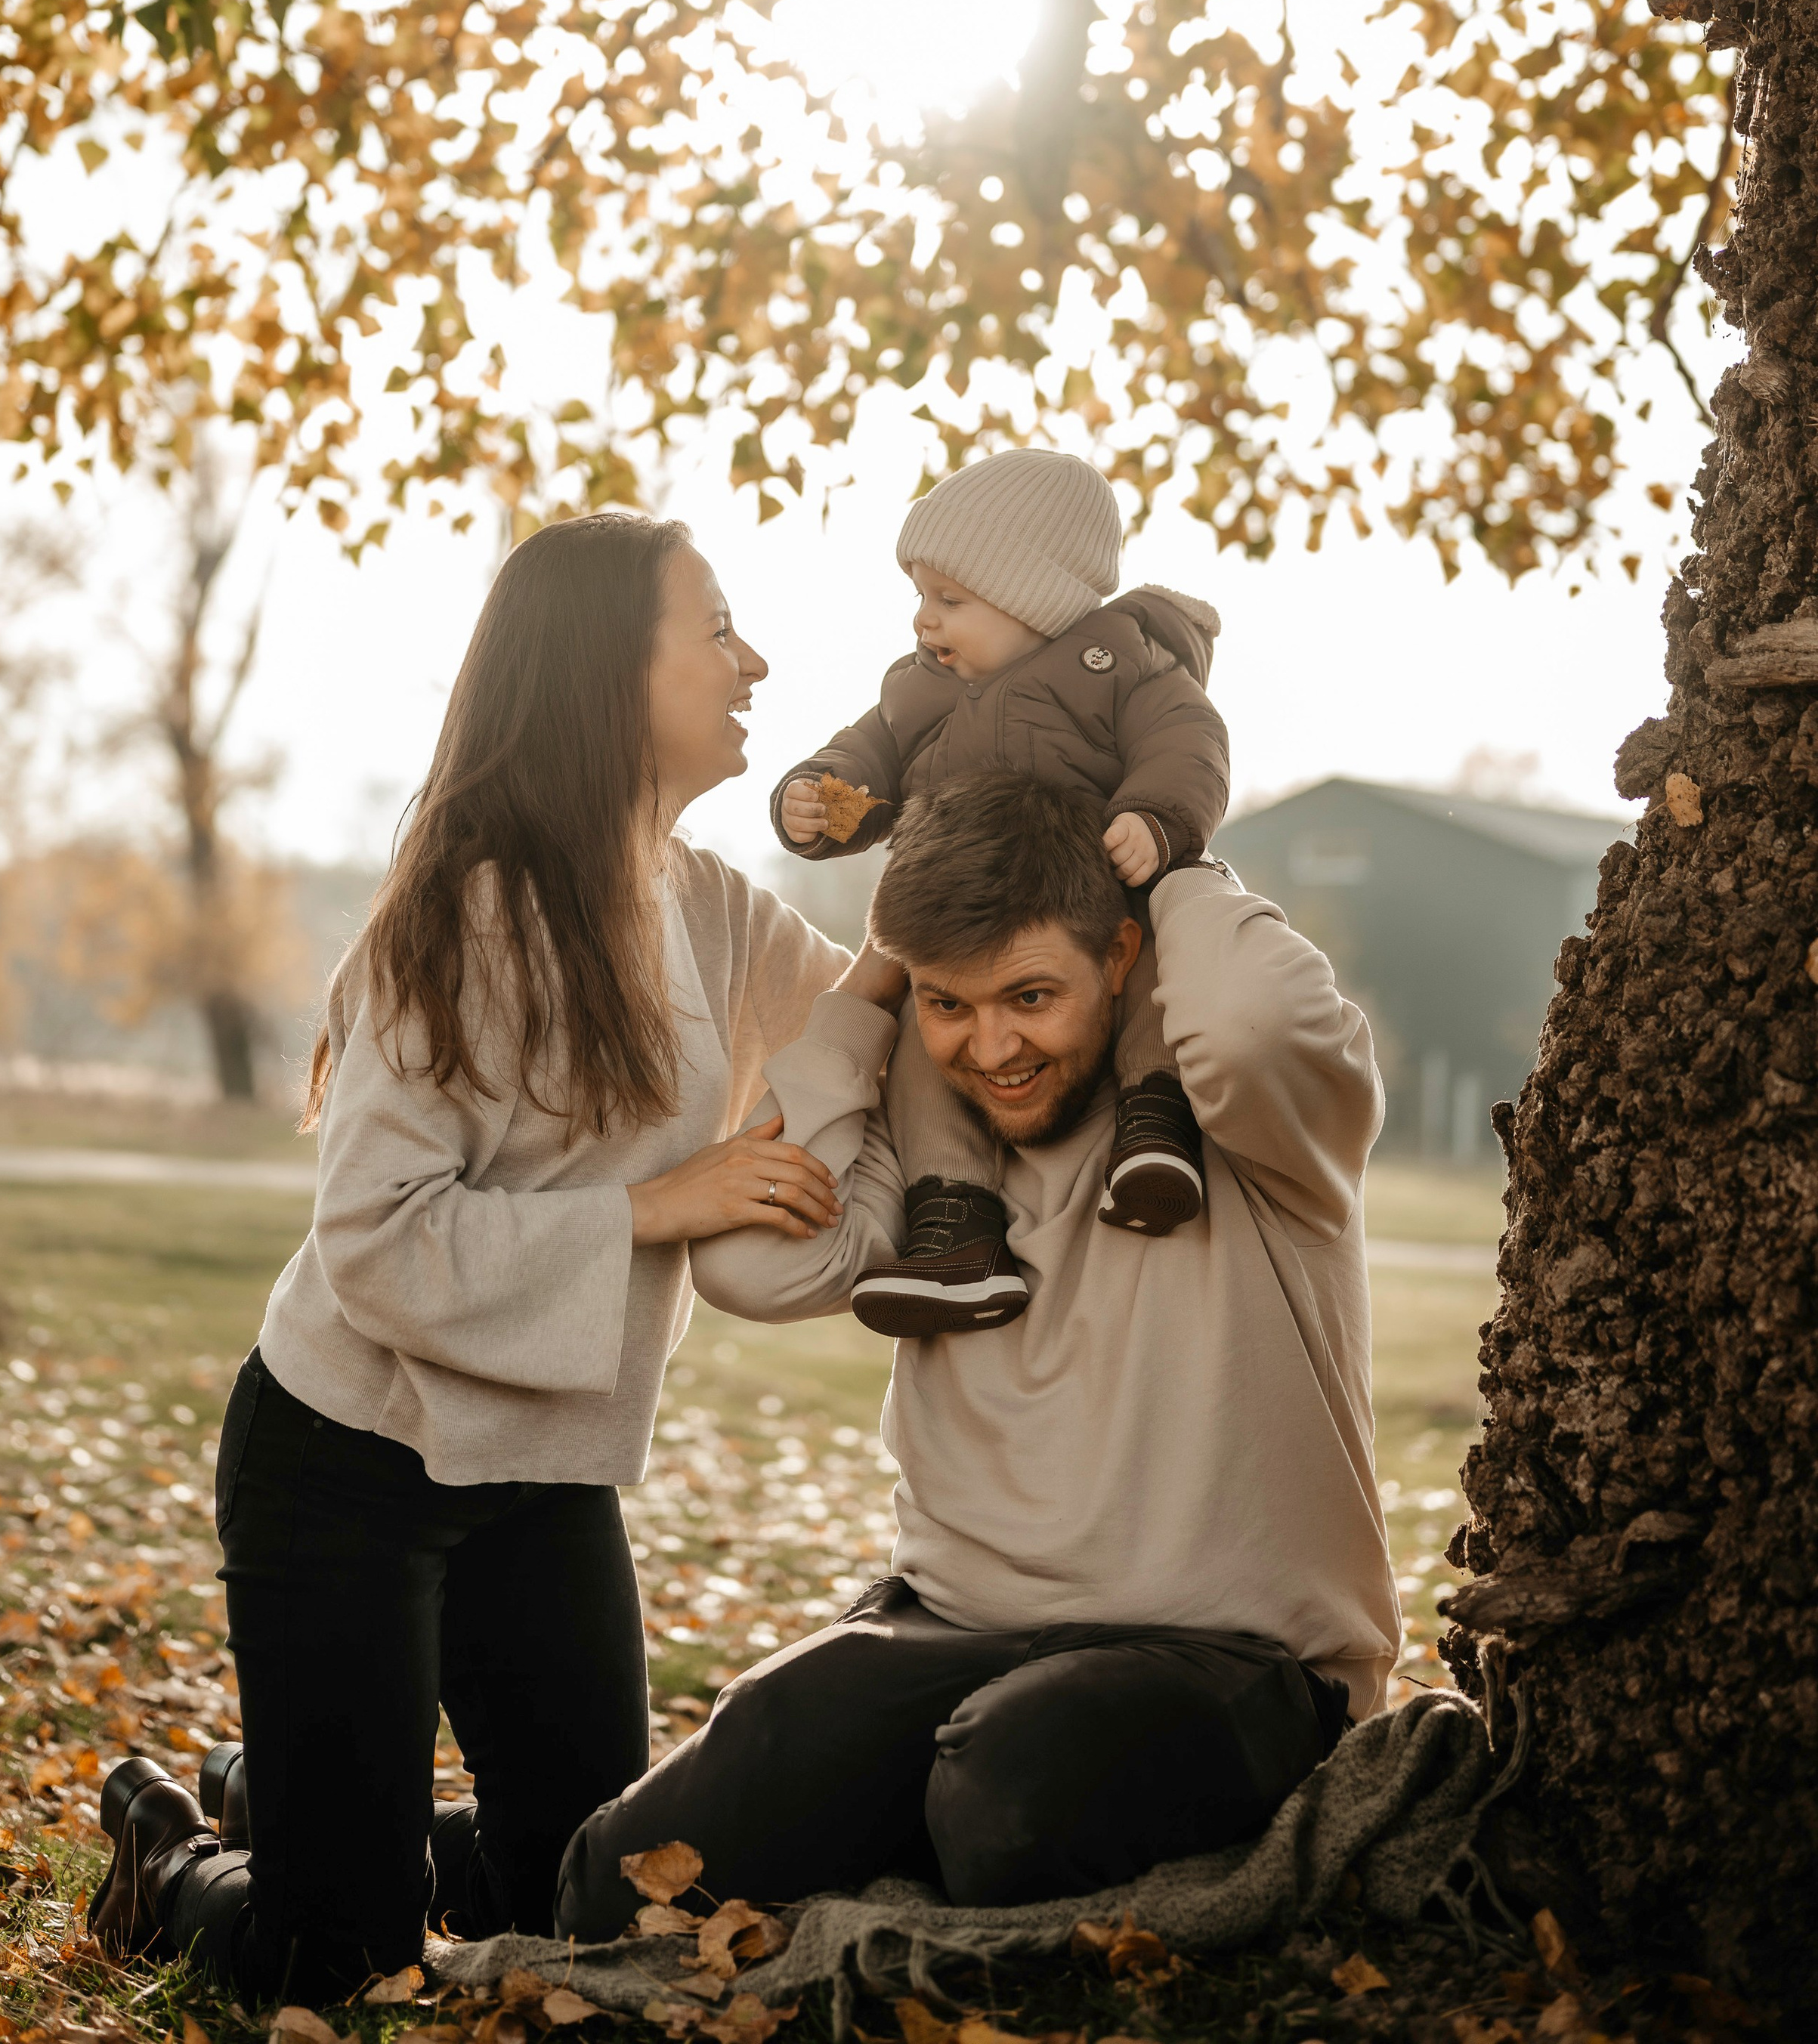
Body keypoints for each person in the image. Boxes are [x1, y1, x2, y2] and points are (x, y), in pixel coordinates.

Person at [89, 509, 897, 2003]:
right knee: (338, 1967)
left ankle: (308, 1798)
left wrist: (958, 809)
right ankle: (174, 1861)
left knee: (589, 1904)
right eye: (713, 629)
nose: (754, 659)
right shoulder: (461, 913)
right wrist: (664, 1205)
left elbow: (874, 1021)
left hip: (536, 1476)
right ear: (604, 670)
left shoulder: (702, 900)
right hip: (349, 1464)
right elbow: (378, 1242)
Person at [558, 775, 1400, 1928]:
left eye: (1032, 996)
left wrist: (1180, 865)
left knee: (1011, 1787)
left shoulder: (1252, 1126)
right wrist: (870, 993)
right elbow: (753, 1267)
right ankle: (307, 1845)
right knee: (629, 1876)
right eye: (949, 1002)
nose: (993, 1047)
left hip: (1234, 1663)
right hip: (948, 1632)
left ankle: (901, 1822)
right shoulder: (939, 1162)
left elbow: (1250, 1018)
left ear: (1121, 954)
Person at [772, 447, 1230, 1334]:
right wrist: (819, 797)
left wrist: (1157, 819)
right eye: (920, 595)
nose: (922, 620)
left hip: (1092, 899)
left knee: (1152, 987)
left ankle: (1156, 1129)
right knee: (923, 1050)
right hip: (957, 927)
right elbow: (863, 760)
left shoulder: (1123, 664)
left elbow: (1189, 744)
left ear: (1036, 597)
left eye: (950, 600)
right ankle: (954, 1226)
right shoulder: (919, 693)